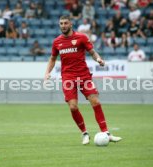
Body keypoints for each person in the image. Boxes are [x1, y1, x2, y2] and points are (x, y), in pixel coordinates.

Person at [44, 15, 122, 145]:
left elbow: (92, 52)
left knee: (95, 101)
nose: (63, 25)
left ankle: (106, 133)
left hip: (84, 76)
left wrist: (98, 59)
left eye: (65, 23)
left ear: (71, 24)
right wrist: (47, 73)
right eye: (61, 23)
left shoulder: (81, 38)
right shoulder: (57, 42)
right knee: (73, 107)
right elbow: (52, 59)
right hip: (68, 78)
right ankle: (84, 133)